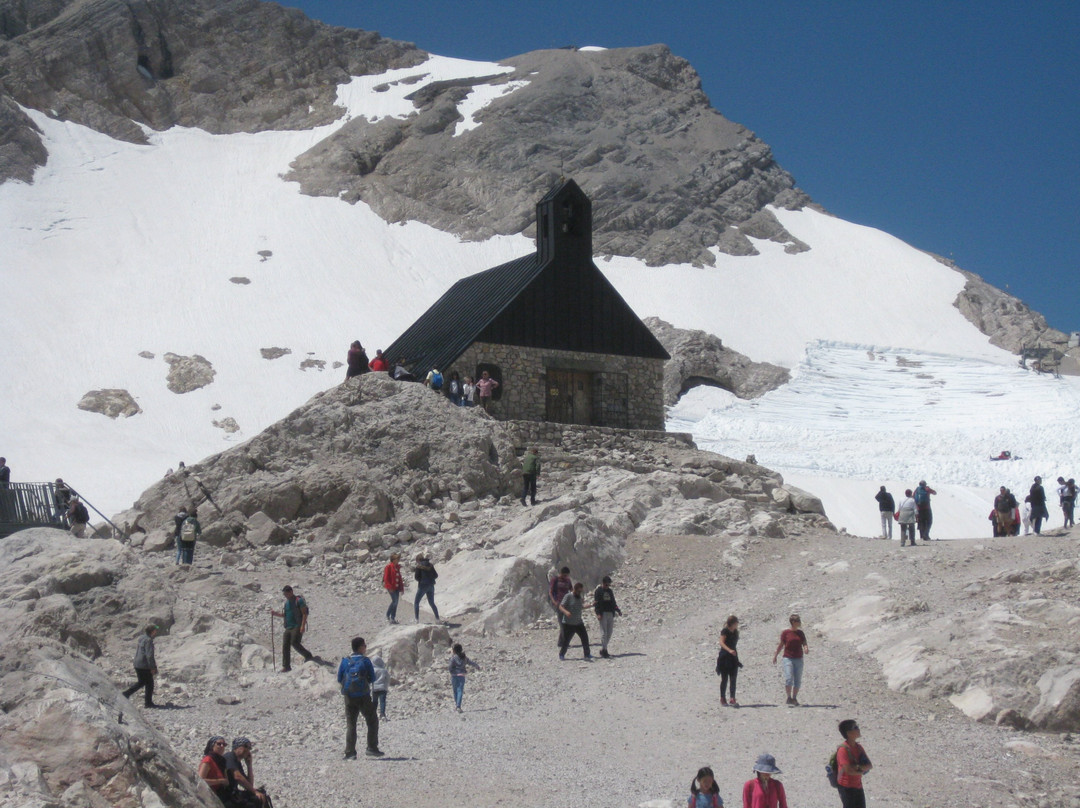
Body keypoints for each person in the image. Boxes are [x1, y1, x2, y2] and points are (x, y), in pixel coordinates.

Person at [337, 637, 382, 759]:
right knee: (372, 720)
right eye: (364, 646)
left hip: (349, 696)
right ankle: (371, 747)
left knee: (351, 723)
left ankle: (350, 752)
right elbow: (372, 678)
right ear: (360, 647)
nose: (365, 648)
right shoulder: (365, 661)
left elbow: (339, 678)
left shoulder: (345, 661)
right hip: (363, 696)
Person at [270, 585, 314, 672]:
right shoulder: (287, 603)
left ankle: (308, 655)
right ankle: (286, 666)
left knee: (294, 642)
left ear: (291, 592)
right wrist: (275, 614)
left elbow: (304, 613)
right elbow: (285, 615)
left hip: (297, 625)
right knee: (285, 645)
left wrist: (302, 626)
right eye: (284, 594)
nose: (285, 596)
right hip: (288, 627)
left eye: (286, 594)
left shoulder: (299, 601)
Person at [223, 737, 272, 807]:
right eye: (245, 746)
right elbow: (237, 776)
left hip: (233, 793)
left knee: (262, 795)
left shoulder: (237, 762)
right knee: (255, 800)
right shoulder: (230, 756)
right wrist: (255, 792)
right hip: (227, 794)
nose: (247, 750)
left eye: (249, 748)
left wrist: (249, 766)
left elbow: (249, 784)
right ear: (237, 747)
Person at [772, 614, 808, 706]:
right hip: (788, 658)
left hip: (799, 658)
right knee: (789, 678)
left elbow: (804, 642)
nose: (799, 622)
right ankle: (789, 697)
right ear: (793, 622)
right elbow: (781, 645)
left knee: (797, 679)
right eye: (798, 621)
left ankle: (794, 698)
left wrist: (806, 648)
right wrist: (776, 655)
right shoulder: (786, 633)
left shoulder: (800, 633)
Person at [835, 719, 872, 808]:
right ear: (848, 733)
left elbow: (869, 765)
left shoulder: (859, 747)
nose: (858, 729)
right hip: (846, 787)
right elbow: (849, 770)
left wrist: (856, 768)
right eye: (855, 727)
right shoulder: (843, 750)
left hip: (858, 785)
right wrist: (861, 769)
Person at [121, 624, 159, 708]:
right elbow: (149, 655)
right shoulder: (149, 640)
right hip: (144, 665)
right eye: (155, 630)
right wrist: (153, 667)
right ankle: (126, 694)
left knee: (144, 682)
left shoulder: (141, 638)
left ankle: (147, 702)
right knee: (147, 683)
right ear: (152, 631)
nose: (156, 631)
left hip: (137, 663)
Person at [559, 581, 593, 660]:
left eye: (581, 591)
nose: (579, 593)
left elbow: (581, 607)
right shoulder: (568, 596)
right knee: (566, 640)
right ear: (574, 589)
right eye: (578, 591)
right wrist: (566, 612)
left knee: (585, 638)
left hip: (578, 622)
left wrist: (591, 605)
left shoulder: (579, 598)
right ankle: (561, 654)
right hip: (569, 623)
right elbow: (561, 606)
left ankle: (587, 654)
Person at [716, 615, 742, 707]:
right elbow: (721, 642)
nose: (737, 624)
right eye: (736, 623)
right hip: (724, 657)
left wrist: (733, 652)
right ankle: (723, 698)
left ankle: (732, 698)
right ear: (733, 623)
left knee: (733, 678)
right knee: (724, 679)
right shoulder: (725, 631)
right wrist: (729, 650)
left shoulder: (736, 632)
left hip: (733, 657)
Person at [198, 736, 232, 802]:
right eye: (219, 744)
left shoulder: (222, 761)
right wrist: (220, 781)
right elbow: (200, 780)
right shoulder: (208, 760)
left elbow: (226, 782)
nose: (222, 746)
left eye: (224, 744)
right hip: (210, 796)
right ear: (212, 745)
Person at [449, 643, 481, 712]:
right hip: (461, 676)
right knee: (460, 690)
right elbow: (471, 662)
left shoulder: (453, 658)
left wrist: (452, 672)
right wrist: (477, 666)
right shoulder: (464, 657)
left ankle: (457, 705)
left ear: (454, 650)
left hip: (454, 676)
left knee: (455, 691)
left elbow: (450, 667)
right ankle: (458, 706)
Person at [413, 554, 441, 623]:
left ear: (418, 560)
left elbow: (416, 577)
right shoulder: (430, 565)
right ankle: (437, 619)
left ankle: (416, 619)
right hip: (431, 585)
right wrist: (430, 578)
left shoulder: (419, 566)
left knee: (416, 602)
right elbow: (436, 575)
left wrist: (422, 580)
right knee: (432, 603)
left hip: (422, 586)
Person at [549, 566, 573, 645]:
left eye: (567, 575)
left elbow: (571, 589)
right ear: (561, 573)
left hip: (566, 603)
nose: (566, 577)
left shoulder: (568, 580)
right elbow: (550, 592)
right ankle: (565, 642)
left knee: (566, 622)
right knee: (562, 623)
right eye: (565, 575)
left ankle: (561, 642)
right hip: (559, 603)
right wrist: (554, 602)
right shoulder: (555, 580)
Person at [382, 553, 405, 624]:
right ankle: (390, 617)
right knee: (395, 601)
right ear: (393, 560)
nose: (398, 560)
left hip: (397, 587)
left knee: (395, 602)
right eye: (397, 559)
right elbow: (386, 578)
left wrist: (402, 588)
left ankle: (390, 616)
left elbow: (399, 579)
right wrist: (389, 587)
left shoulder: (397, 567)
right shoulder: (388, 567)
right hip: (391, 588)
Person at [371, 655, 389, 719]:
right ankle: (382, 714)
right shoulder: (384, 670)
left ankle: (373, 714)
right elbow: (387, 678)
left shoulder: (373, 670)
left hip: (375, 688)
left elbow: (371, 679)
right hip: (383, 688)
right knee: (382, 701)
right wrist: (386, 685)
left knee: (375, 702)